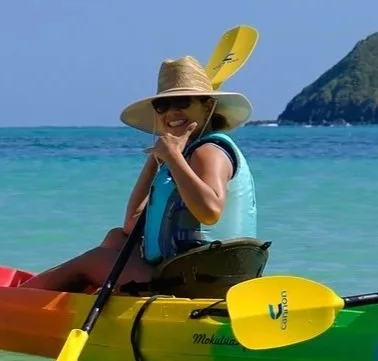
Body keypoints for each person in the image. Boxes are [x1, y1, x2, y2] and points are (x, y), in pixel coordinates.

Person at [27, 56, 257, 292]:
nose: (171, 112)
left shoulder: (208, 151)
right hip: (187, 272)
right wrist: (155, 160)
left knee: (93, 260)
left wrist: (174, 158)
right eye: (163, 105)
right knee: (116, 239)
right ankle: (71, 297)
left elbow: (210, 211)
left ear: (207, 106)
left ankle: (19, 297)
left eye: (182, 102)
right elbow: (131, 224)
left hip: (200, 280)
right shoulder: (182, 155)